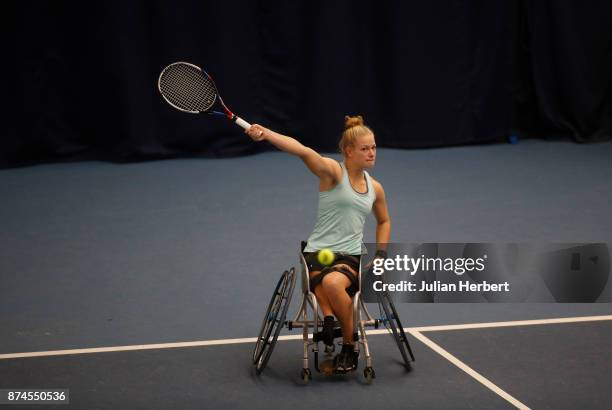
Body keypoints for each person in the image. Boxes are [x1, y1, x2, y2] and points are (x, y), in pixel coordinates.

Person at [245, 115, 390, 373]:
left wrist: (381, 253)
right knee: (322, 284)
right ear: (348, 151)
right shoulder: (333, 172)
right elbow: (302, 150)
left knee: (333, 283)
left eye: (374, 147)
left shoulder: (375, 188)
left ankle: (348, 345)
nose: (371, 153)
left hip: (349, 255)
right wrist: (267, 133)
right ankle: (332, 321)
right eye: (365, 148)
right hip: (318, 252)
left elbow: (384, 221)